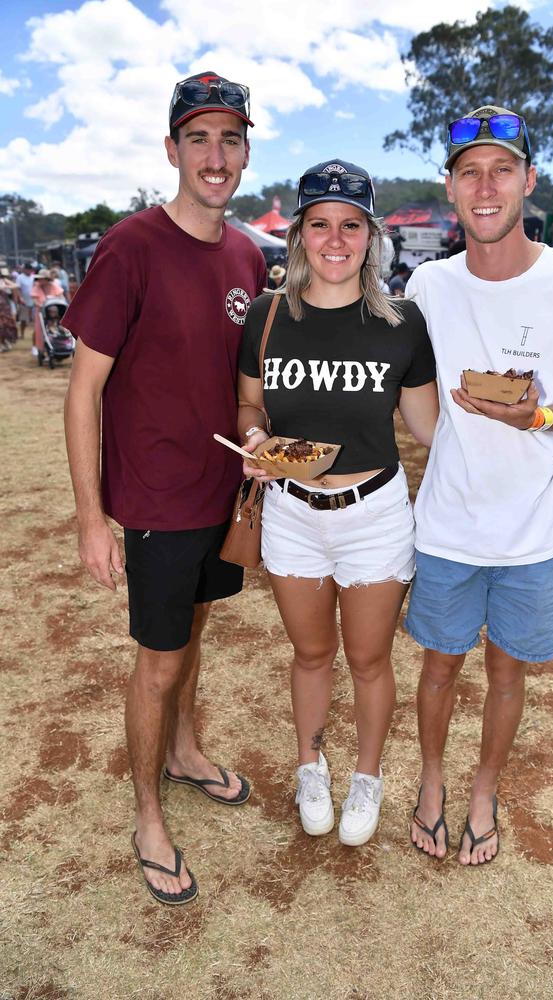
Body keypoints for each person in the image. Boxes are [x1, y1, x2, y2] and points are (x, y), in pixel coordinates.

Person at [404, 105, 553, 866]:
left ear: (529, 181)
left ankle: (484, 790)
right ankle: (433, 780)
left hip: (536, 532)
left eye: (502, 169)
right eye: (469, 171)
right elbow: (411, 392)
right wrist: (449, 449)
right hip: (446, 524)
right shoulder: (428, 286)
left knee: (507, 670)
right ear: (450, 186)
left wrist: (536, 416)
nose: (485, 186)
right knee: (439, 665)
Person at [63, 70, 267, 905]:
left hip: (223, 494)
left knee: (197, 627)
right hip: (152, 502)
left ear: (246, 151)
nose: (215, 156)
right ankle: (148, 812)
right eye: (199, 139)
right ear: (172, 149)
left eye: (230, 139)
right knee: (158, 658)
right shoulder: (131, 245)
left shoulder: (250, 252)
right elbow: (83, 391)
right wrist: (90, 519)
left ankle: (185, 752)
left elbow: (241, 380)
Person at [238, 159, 438, 847]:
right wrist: (256, 439)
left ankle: (368, 777)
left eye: (350, 224)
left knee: (369, 659)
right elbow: (247, 403)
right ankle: (310, 763)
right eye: (319, 223)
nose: (334, 238)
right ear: (297, 235)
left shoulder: (402, 324)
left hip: (375, 513)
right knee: (311, 653)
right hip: (291, 513)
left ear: (371, 236)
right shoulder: (267, 317)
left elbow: (429, 428)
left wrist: (520, 429)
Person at [15, 262, 35, 339]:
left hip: (33, 300)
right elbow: (18, 289)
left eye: (30, 269)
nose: (29, 271)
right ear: (25, 269)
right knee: (23, 319)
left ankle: (35, 334)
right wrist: (20, 298)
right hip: (24, 301)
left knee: (34, 318)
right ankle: (22, 334)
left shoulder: (33, 277)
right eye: (28, 269)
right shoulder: (20, 277)